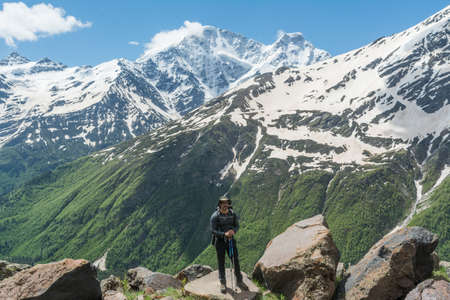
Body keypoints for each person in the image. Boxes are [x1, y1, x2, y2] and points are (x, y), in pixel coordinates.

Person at [210, 196, 248, 293]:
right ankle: (223, 283)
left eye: (226, 203)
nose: (225, 205)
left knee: (235, 260)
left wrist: (233, 231)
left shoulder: (233, 214)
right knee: (221, 261)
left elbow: (237, 226)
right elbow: (213, 231)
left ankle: (239, 281)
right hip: (220, 242)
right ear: (219, 204)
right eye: (223, 203)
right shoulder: (215, 216)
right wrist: (224, 234)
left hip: (230, 240)